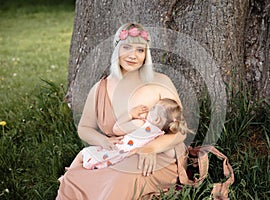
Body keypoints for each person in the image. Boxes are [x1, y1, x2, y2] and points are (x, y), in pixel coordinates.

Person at [56, 23, 191, 200]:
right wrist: (103, 141)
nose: (133, 55)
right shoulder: (99, 89)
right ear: (117, 49)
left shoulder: (160, 81)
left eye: (140, 50)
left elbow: (180, 130)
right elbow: (85, 128)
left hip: (158, 154)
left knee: (121, 177)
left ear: (146, 55)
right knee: (74, 178)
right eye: (127, 47)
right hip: (117, 151)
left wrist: (150, 148)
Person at [68, 98, 192, 170]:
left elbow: (117, 129)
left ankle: (69, 174)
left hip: (117, 151)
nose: (150, 108)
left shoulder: (141, 124)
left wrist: (131, 114)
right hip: (126, 158)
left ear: (157, 119)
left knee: (84, 153)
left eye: (153, 108)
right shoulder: (160, 136)